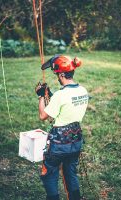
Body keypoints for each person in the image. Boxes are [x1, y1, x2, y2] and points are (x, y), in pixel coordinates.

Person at [35, 55, 89, 200]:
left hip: (59, 144)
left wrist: (41, 96)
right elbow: (65, 106)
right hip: (76, 140)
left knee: (50, 173)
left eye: (57, 74)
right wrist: (51, 95)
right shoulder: (83, 91)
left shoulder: (61, 95)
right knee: (70, 172)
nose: (57, 77)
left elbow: (43, 116)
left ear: (63, 74)